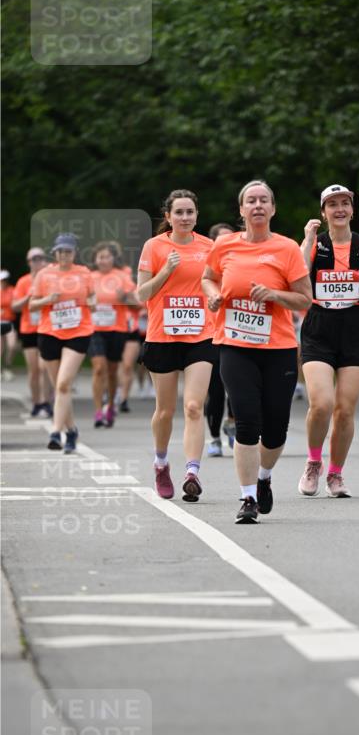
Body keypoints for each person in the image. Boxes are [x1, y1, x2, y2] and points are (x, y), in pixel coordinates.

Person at [202, 179, 312, 523]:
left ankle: (264, 479)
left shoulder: (287, 248)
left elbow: (305, 298)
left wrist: (276, 296)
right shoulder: (224, 245)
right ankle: (247, 497)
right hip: (235, 345)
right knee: (247, 421)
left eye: (264, 200)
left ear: (273, 209)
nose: (258, 206)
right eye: (251, 201)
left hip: (278, 347)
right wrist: (213, 294)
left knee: (276, 427)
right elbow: (208, 277)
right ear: (241, 210)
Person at [297, 184, 359, 498]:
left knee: (344, 410)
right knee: (322, 403)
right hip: (319, 328)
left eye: (344, 204)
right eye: (332, 205)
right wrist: (308, 240)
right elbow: (297, 276)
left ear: (352, 209)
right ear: (323, 212)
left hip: (355, 329)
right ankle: (313, 461)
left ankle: (335, 474)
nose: (339, 210)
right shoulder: (315, 243)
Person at [137, 188, 216, 501]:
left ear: (197, 215)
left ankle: (192, 472)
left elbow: (218, 284)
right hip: (163, 336)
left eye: (190, 212)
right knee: (165, 411)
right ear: (167, 216)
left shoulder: (210, 247)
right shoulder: (154, 247)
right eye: (179, 212)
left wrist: (215, 298)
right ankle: (161, 463)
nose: (185, 217)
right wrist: (167, 270)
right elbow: (142, 294)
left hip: (200, 334)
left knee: (194, 406)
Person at [29, 232, 95, 453]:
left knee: (63, 384)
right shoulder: (44, 275)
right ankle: (72, 430)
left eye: (68, 251)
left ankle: (56, 432)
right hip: (50, 333)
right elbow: (32, 306)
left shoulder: (84, 273)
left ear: (75, 253)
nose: (64, 255)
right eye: (61, 251)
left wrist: (92, 303)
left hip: (78, 332)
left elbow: (92, 297)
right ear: (54, 253)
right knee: (60, 387)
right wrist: (49, 300)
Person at [88, 241, 137, 427]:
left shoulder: (121, 276)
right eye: (100, 257)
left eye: (107, 257)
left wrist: (124, 298)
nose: (104, 260)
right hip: (95, 329)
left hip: (117, 328)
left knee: (111, 370)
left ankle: (110, 407)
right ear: (95, 259)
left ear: (112, 259)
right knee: (99, 368)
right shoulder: (89, 277)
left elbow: (136, 302)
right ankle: (98, 411)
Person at [205, 222, 236, 457]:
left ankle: (234, 424)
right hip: (209, 334)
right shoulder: (207, 268)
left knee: (237, 388)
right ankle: (214, 436)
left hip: (236, 333)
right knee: (215, 391)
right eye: (221, 239)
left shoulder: (241, 263)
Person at [11, 248, 52, 416]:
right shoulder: (23, 282)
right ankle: (36, 403)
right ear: (28, 262)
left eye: (41, 258)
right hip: (29, 329)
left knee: (45, 368)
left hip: (47, 327)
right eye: (34, 259)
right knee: (33, 369)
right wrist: (28, 298)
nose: (38, 262)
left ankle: (46, 402)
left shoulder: (51, 280)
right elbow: (14, 307)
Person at [0, 269, 18, 378]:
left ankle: (7, 366)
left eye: (5, 279)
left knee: (12, 345)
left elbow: (15, 305)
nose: (4, 281)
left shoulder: (12, 290)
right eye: (2, 280)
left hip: (9, 322)